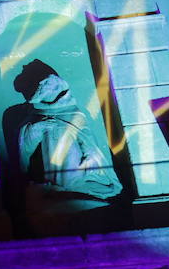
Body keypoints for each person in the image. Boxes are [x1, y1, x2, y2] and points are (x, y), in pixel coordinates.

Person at [13, 61, 122, 200]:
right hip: (50, 173)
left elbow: (89, 144)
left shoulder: (74, 114)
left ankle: (69, 186)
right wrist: (38, 128)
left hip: (78, 170)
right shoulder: (35, 114)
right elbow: (25, 147)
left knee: (60, 134)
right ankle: (61, 186)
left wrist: (90, 161)